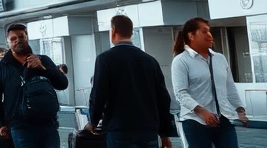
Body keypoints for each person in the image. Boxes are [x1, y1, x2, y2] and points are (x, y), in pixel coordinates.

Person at [87, 15, 174, 148]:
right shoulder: (150, 60)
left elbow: (99, 93)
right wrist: (165, 133)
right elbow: (163, 98)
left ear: (113, 31)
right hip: (148, 131)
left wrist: (93, 121)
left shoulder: (105, 59)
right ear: (131, 32)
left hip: (120, 129)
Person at [171, 17, 248, 148]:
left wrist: (240, 110)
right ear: (191, 36)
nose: (210, 36)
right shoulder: (181, 61)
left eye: (210, 31)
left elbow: (229, 87)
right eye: (204, 31)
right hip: (195, 121)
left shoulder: (220, 58)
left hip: (223, 119)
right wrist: (202, 112)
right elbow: (180, 94)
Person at [0, 23, 68, 148]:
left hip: (48, 124)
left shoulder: (43, 60)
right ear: (8, 42)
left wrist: (43, 67)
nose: (18, 41)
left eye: (21, 37)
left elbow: (62, 84)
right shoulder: (2, 68)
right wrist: (0, 125)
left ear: (27, 37)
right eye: (13, 39)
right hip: (20, 126)